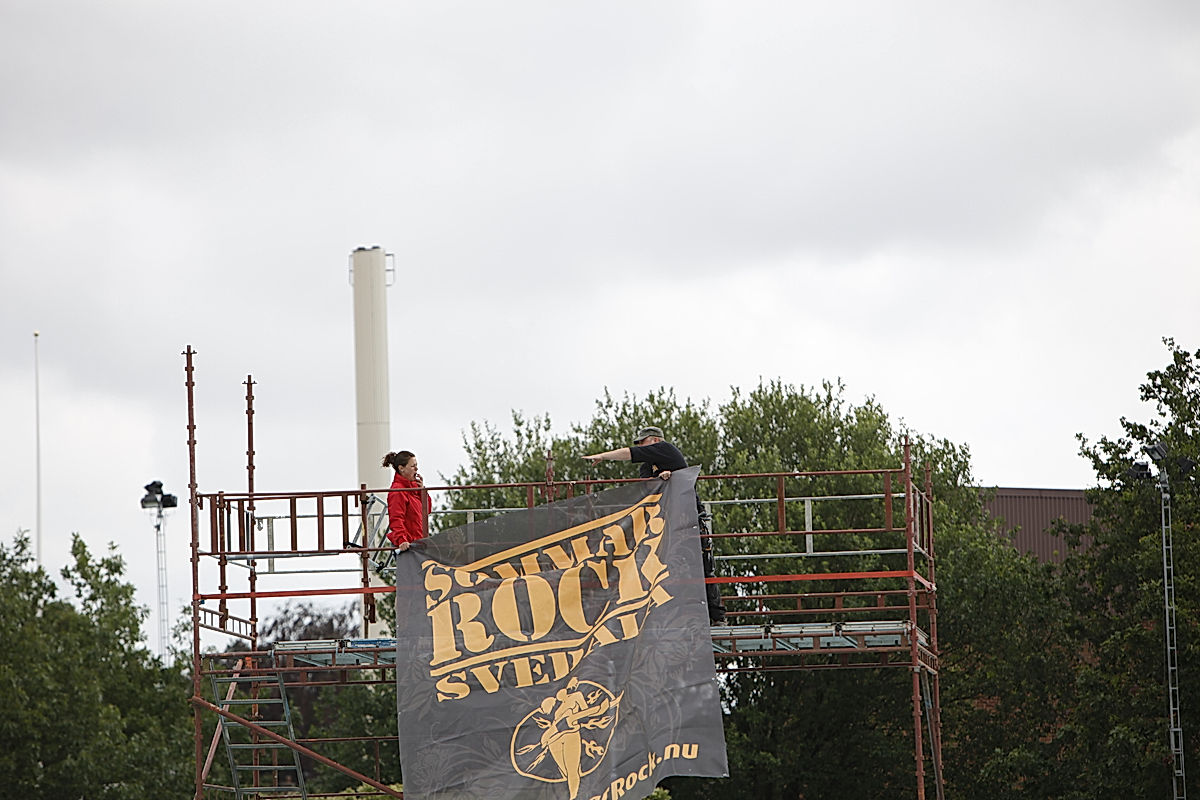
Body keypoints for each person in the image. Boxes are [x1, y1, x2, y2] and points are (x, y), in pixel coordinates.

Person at [583, 426, 727, 625]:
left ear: (655, 441)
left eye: (643, 442)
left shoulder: (666, 450)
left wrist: (603, 456)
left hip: (686, 521)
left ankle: (716, 616)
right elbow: (646, 489)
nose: (641, 447)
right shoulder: (647, 466)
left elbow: (630, 454)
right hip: (664, 525)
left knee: (700, 568)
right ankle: (680, 619)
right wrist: (659, 480)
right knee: (666, 572)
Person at [381, 450, 429, 551]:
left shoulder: (414, 489)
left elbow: (427, 510)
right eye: (412, 466)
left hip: (418, 542)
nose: (416, 469)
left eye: (416, 465)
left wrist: (422, 492)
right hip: (408, 545)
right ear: (401, 468)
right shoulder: (398, 491)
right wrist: (402, 540)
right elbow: (396, 518)